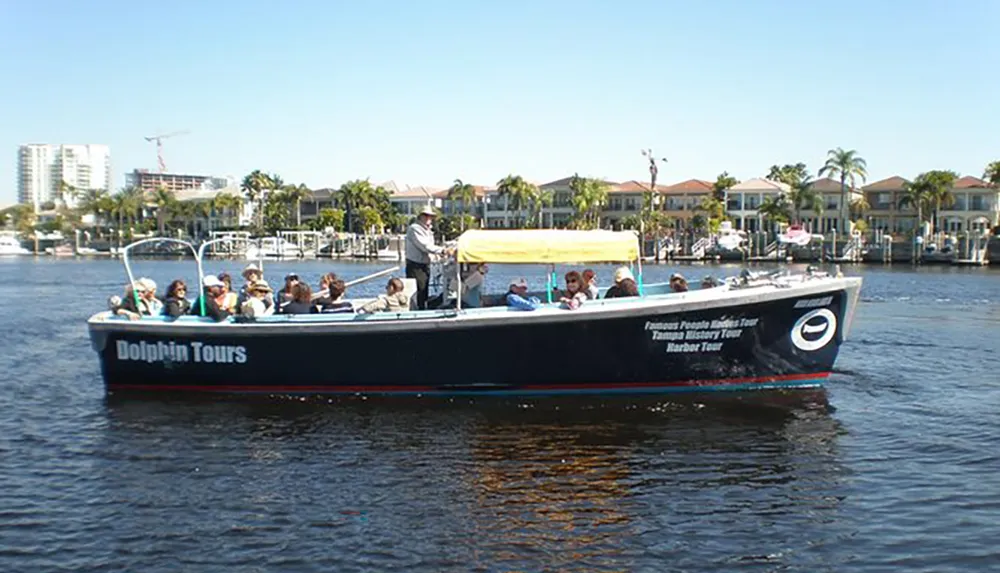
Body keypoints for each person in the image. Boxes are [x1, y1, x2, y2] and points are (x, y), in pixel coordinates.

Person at [405, 206, 447, 309]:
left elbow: (429, 248)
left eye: (430, 216)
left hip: (424, 265)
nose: (429, 218)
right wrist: (442, 250)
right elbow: (424, 246)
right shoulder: (414, 228)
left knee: (424, 290)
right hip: (416, 265)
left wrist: (439, 256)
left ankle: (422, 308)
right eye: (426, 215)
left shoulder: (428, 230)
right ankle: (418, 311)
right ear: (420, 216)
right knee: (418, 290)